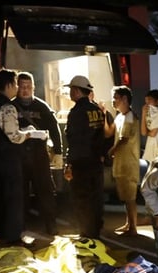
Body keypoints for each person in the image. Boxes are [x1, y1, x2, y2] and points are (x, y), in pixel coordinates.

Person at [0, 69, 38, 246]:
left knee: (1, 198)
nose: (17, 87)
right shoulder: (7, 107)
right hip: (9, 159)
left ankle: (3, 235)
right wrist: (29, 134)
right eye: (16, 83)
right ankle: (13, 237)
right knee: (13, 199)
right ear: (8, 85)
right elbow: (14, 136)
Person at [63, 75, 112, 239]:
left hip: (81, 163)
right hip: (96, 161)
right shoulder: (97, 110)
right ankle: (96, 230)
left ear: (77, 91)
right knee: (96, 197)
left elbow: (73, 140)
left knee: (82, 198)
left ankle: (87, 233)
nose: (70, 93)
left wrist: (68, 164)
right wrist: (102, 155)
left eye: (71, 89)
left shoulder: (76, 112)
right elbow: (105, 136)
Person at [15, 72, 62, 235]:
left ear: (33, 88)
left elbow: (54, 129)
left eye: (28, 87)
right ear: (17, 87)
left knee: (46, 191)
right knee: (20, 193)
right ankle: (21, 225)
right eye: (22, 86)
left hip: (39, 155)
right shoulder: (10, 107)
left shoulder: (42, 107)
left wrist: (58, 152)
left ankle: (51, 225)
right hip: (19, 155)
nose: (25, 90)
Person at [109, 85, 141, 235]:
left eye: (115, 98)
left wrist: (112, 150)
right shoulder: (120, 116)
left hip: (129, 164)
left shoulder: (130, 117)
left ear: (124, 99)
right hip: (121, 164)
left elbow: (124, 139)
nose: (113, 101)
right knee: (126, 197)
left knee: (130, 198)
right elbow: (110, 132)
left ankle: (133, 227)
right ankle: (129, 224)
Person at [141, 89, 158, 164]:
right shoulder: (148, 115)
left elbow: (153, 133)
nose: (147, 104)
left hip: (157, 150)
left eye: (149, 100)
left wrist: (147, 132)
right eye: (146, 101)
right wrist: (143, 114)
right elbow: (143, 132)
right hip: (149, 150)